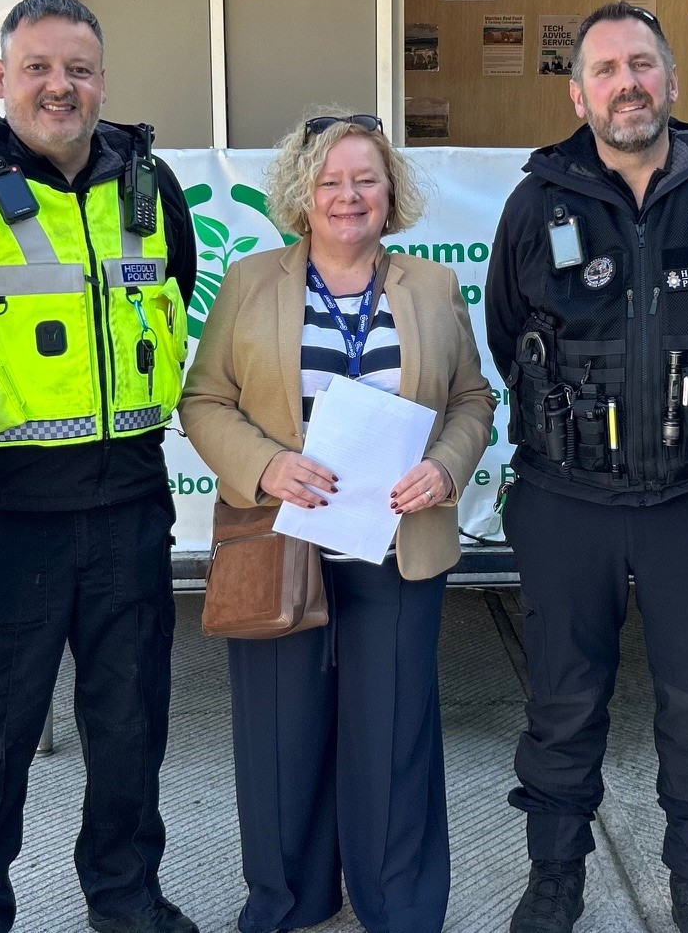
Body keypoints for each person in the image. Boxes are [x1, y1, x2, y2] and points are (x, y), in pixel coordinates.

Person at [0, 0, 199, 933]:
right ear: (1, 79)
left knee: (131, 729)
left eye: (79, 69)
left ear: (102, 81)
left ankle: (126, 898)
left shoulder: (152, 185)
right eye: (39, 68)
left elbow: (172, 306)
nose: (60, 86)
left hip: (132, 509)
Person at [486, 2, 688, 933]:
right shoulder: (536, 201)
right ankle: (557, 884)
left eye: (643, 64)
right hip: (565, 500)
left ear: (670, 80)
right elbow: (510, 336)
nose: (627, 83)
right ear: (578, 92)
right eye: (607, 69)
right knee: (560, 703)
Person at [181, 112, 496, 933]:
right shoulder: (251, 282)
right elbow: (203, 399)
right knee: (280, 735)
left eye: (365, 179)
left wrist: (445, 466)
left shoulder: (430, 286)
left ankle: (398, 905)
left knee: (392, 737)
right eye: (329, 181)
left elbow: (472, 400)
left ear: (390, 192)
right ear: (301, 195)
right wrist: (265, 465)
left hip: (396, 544)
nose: (347, 196)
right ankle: (290, 900)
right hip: (279, 540)